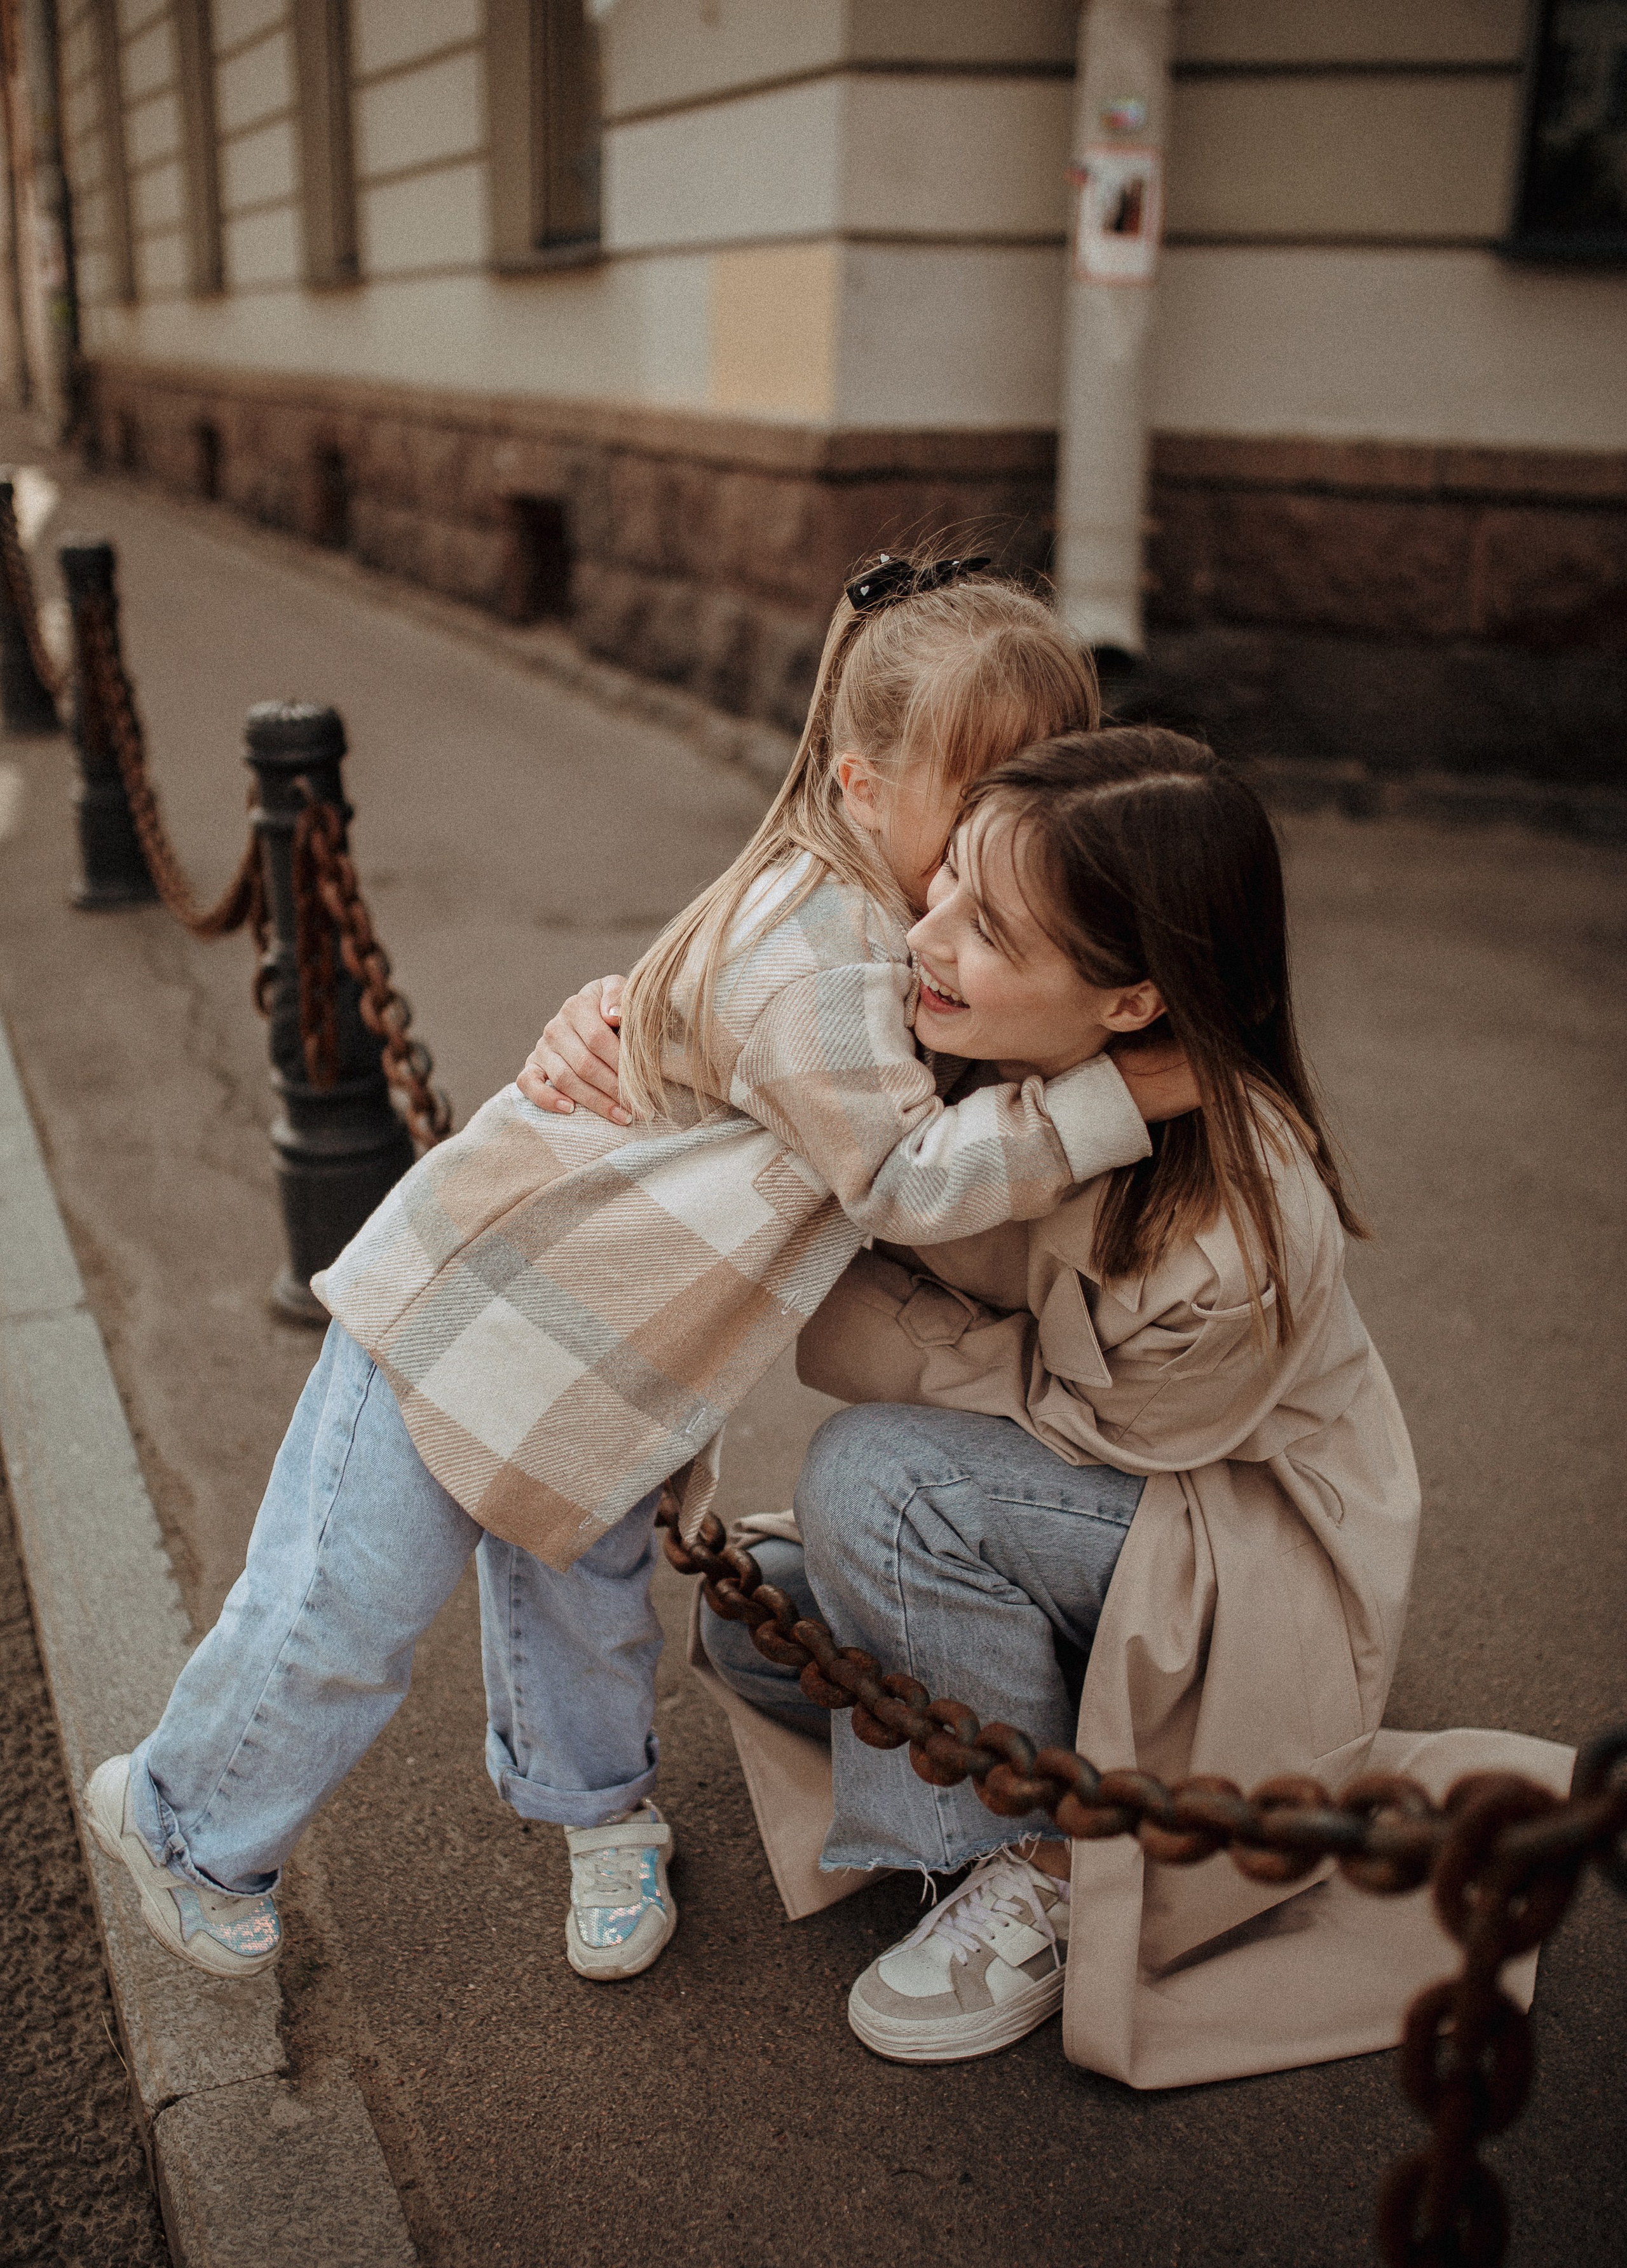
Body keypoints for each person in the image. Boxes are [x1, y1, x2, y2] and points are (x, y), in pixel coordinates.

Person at [86, 557, 1193, 1995]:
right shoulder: (830, 957)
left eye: (1038, 782)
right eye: (978, 790)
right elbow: (905, 1176)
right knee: (338, 1608)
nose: (1013, 825)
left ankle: (599, 1813)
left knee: (583, 1597)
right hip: (471, 1308)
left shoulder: (883, 915)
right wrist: (1122, 1094)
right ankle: (180, 1823)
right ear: (861, 784)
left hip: (608, 1346)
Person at [535, 727, 1573, 2083]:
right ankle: (977, 1744)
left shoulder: (1231, 1234)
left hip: (1221, 1540)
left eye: (991, 929)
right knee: (762, 1637)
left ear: (1133, 1003)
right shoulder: (949, 1032)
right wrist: (607, 1017)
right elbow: (739, 1036)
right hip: (1070, 1488)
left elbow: (1089, 1431)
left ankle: (1043, 1864)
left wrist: (883, 1295)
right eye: (948, 879)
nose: (929, 935)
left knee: (874, 1485)